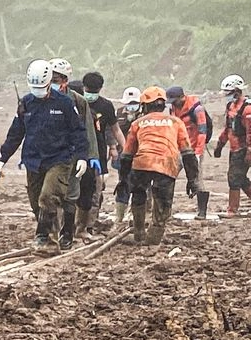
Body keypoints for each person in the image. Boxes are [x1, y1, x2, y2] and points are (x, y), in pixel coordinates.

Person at [0, 60, 90, 254]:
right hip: (33, 160)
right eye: (34, 87)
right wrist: (2, 159)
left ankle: (44, 238)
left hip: (59, 158)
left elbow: (78, 131)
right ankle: (52, 236)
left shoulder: (65, 103)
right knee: (36, 202)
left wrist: (82, 156)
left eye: (42, 87)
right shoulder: (26, 103)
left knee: (48, 197)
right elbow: (16, 133)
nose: (38, 91)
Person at [119, 87, 200, 245]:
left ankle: (139, 233)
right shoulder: (176, 122)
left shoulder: (137, 123)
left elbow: (127, 155)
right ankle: (154, 237)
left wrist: (123, 180)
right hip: (166, 164)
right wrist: (192, 180)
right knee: (163, 202)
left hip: (141, 163)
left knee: (139, 196)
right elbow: (188, 153)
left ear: (145, 106)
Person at [49, 59, 100, 250]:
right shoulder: (38, 100)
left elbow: (88, 130)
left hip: (71, 154)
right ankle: (50, 233)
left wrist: (90, 156)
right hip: (48, 154)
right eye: (51, 77)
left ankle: (67, 233)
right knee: (48, 196)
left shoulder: (78, 101)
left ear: (65, 79)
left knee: (71, 195)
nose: (53, 81)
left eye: (57, 78)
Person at [77, 72, 124, 239]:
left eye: (94, 90)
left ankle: (88, 226)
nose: (91, 93)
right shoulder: (75, 102)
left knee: (95, 190)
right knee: (74, 190)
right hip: (75, 152)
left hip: (97, 154)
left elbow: (114, 129)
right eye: (89, 90)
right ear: (83, 87)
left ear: (100, 89)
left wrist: (123, 148)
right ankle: (72, 226)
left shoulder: (105, 106)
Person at [167, 85, 212, 219]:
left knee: (197, 179)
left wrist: (198, 152)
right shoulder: (172, 108)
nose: (173, 103)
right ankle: (166, 210)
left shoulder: (197, 109)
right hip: (179, 149)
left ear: (182, 97)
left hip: (193, 150)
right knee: (168, 176)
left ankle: (202, 212)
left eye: (175, 100)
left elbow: (202, 131)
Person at [215, 74, 251, 217]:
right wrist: (220, 144)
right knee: (240, 178)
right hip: (234, 149)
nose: (226, 96)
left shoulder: (247, 109)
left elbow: (250, 132)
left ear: (237, 91)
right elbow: (227, 128)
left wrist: (249, 150)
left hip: (243, 148)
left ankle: (232, 209)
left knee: (234, 178)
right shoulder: (231, 106)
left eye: (228, 93)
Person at [113, 86, 142, 222]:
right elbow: (113, 130)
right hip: (123, 155)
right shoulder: (117, 114)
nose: (132, 106)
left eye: (134, 104)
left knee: (140, 185)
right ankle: (119, 215)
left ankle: (135, 214)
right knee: (123, 183)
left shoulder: (145, 115)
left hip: (141, 156)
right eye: (129, 104)